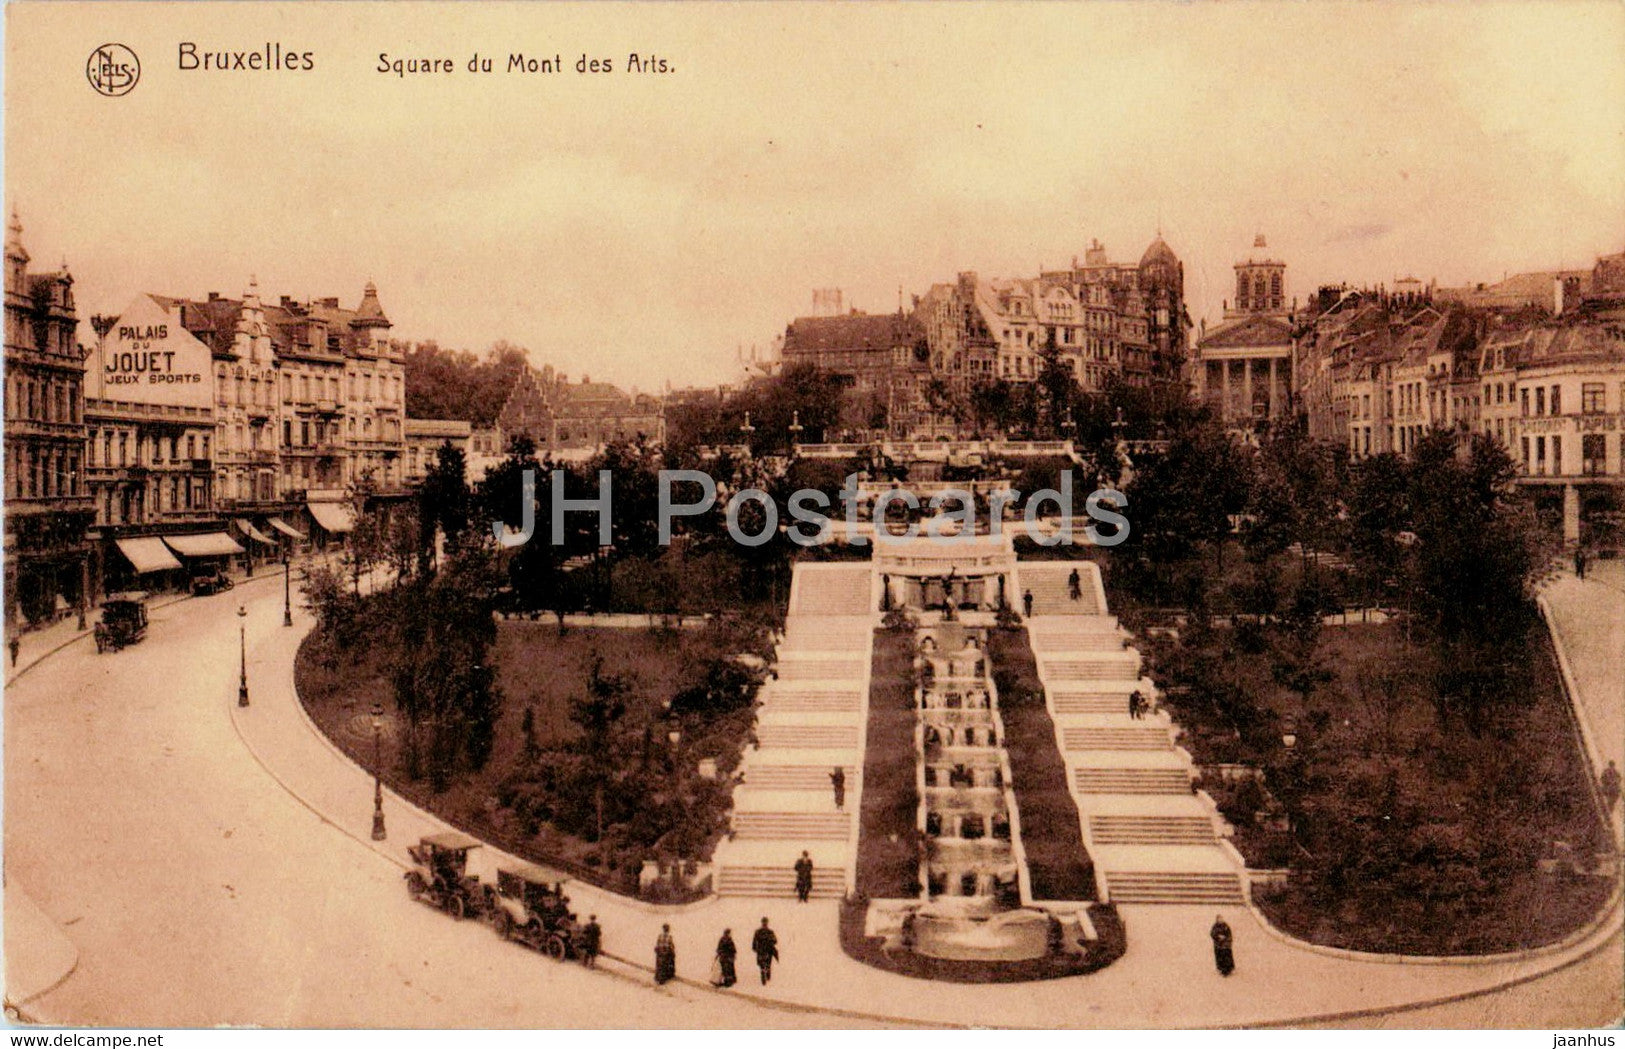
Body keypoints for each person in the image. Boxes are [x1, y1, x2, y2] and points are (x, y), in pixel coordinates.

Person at [751, 917, 779, 985]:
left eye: (765, 922)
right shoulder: (769, 932)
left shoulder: (759, 932)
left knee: (764, 964)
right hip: (765, 950)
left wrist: (755, 948)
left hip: (763, 950)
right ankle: (766, 974)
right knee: (765, 964)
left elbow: (775, 941)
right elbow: (775, 941)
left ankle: (766, 973)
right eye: (764, 922)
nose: (765, 924)